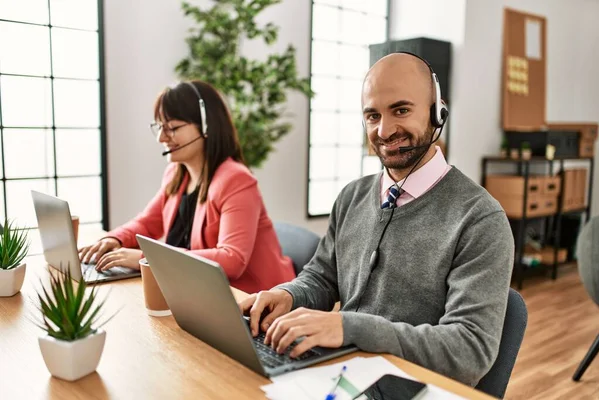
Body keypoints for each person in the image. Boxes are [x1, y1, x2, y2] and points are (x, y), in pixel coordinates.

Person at [239, 53, 514, 386]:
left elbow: (469, 350)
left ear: (437, 111)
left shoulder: (480, 219)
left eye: (400, 110)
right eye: (372, 116)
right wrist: (288, 296)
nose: (384, 130)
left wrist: (349, 328)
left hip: (406, 386)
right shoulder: (353, 196)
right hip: (339, 370)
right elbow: (324, 277)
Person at [79, 80, 296, 293]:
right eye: (159, 127)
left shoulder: (236, 180)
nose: (162, 138)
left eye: (172, 128)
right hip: (200, 292)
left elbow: (232, 259)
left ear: (206, 126)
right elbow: (147, 223)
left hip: (254, 302)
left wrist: (148, 259)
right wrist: (113, 239)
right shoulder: (177, 174)